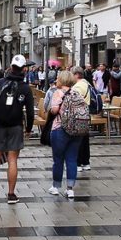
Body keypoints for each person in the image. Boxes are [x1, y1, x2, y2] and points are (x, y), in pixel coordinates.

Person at [0, 55, 34, 205]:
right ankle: (11, 194)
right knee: (12, 160)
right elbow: (30, 112)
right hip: (16, 126)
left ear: (10, 67)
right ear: (24, 69)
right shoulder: (25, 88)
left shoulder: (0, 83)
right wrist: (28, 129)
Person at [46, 70, 83, 198]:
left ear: (61, 80)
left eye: (58, 78)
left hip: (60, 129)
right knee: (72, 159)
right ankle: (70, 189)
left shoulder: (58, 92)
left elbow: (54, 110)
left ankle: (56, 187)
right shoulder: (76, 93)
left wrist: (52, 109)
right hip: (77, 130)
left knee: (58, 160)